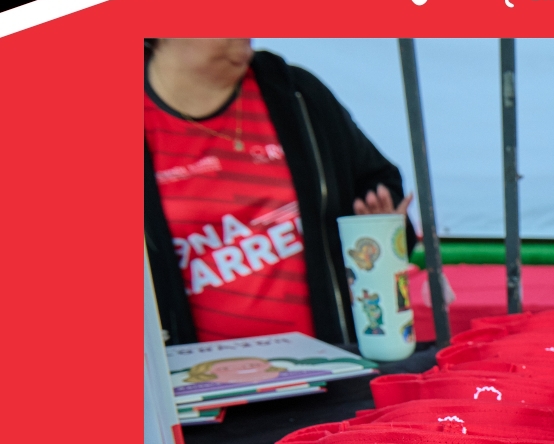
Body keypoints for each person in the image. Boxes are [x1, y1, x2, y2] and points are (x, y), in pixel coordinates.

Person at [145, 38, 413, 345]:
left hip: (330, 362)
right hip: (191, 372)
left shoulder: (297, 95)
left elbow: (379, 186)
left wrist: (380, 230)